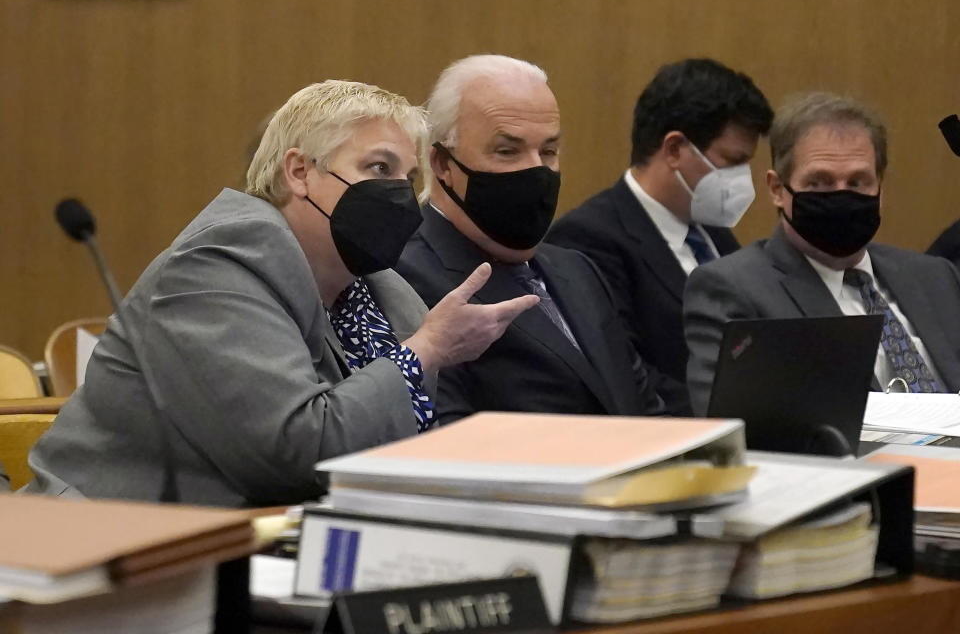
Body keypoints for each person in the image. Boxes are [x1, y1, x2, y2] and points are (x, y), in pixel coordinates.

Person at [25, 81, 537, 506]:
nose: (401, 193)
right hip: (102, 551)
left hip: (269, 544)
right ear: (299, 173)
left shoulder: (387, 293)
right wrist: (426, 351)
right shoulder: (217, 264)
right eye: (378, 169)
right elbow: (297, 454)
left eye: (409, 176)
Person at [397, 55, 664, 425]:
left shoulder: (579, 270)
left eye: (549, 151)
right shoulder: (402, 277)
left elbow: (644, 406)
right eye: (508, 151)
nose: (537, 170)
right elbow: (450, 438)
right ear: (443, 165)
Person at [684, 92, 960, 416]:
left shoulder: (935, 276)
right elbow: (736, 428)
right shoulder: (732, 290)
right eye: (819, 183)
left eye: (858, 182)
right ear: (777, 189)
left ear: (880, 188)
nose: (840, 194)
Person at [547, 59, 772, 415]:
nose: (742, 179)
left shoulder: (715, 235)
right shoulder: (588, 239)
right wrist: (735, 417)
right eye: (731, 161)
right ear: (674, 150)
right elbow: (623, 371)